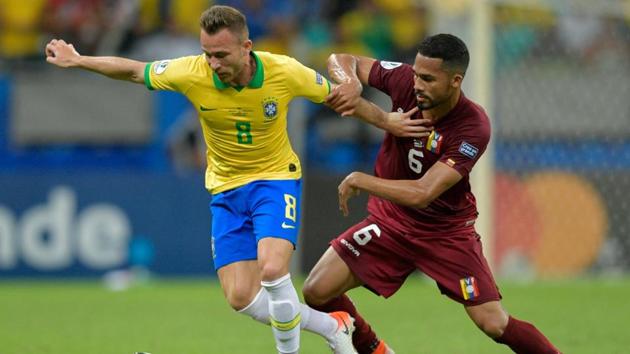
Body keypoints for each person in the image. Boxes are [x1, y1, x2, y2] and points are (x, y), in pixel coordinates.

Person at [45, 5, 370, 354]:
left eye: (220, 54)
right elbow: (136, 71)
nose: (212, 63)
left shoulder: (284, 70)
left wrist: (390, 122)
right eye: (207, 54)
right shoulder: (193, 71)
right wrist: (79, 60)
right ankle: (333, 325)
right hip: (226, 190)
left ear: (246, 48)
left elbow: (343, 100)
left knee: (274, 270)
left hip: (273, 179)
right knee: (241, 298)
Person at [303, 34, 562, 354]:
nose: (416, 84)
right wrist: (351, 84)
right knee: (316, 291)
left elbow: (423, 192)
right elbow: (341, 59)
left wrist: (362, 180)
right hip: (392, 222)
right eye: (415, 74)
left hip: (445, 233)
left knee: (493, 322)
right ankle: (374, 348)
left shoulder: (472, 126)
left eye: (427, 78)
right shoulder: (404, 80)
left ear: (455, 81)